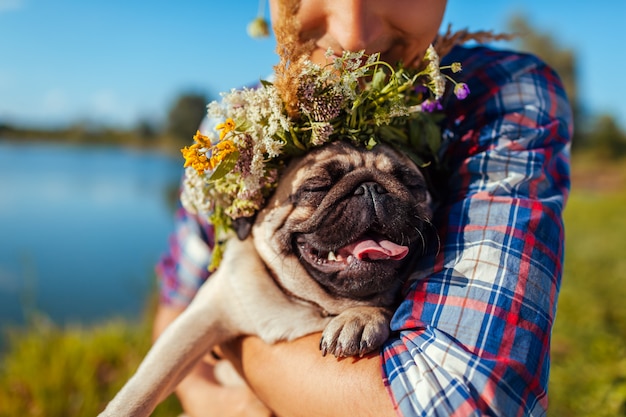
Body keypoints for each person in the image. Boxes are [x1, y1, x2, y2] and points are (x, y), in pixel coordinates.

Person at [154, 0, 572, 415]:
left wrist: (224, 323)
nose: (355, 35)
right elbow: (175, 301)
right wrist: (219, 402)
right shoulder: (230, 134)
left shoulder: (502, 92)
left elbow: (460, 404)